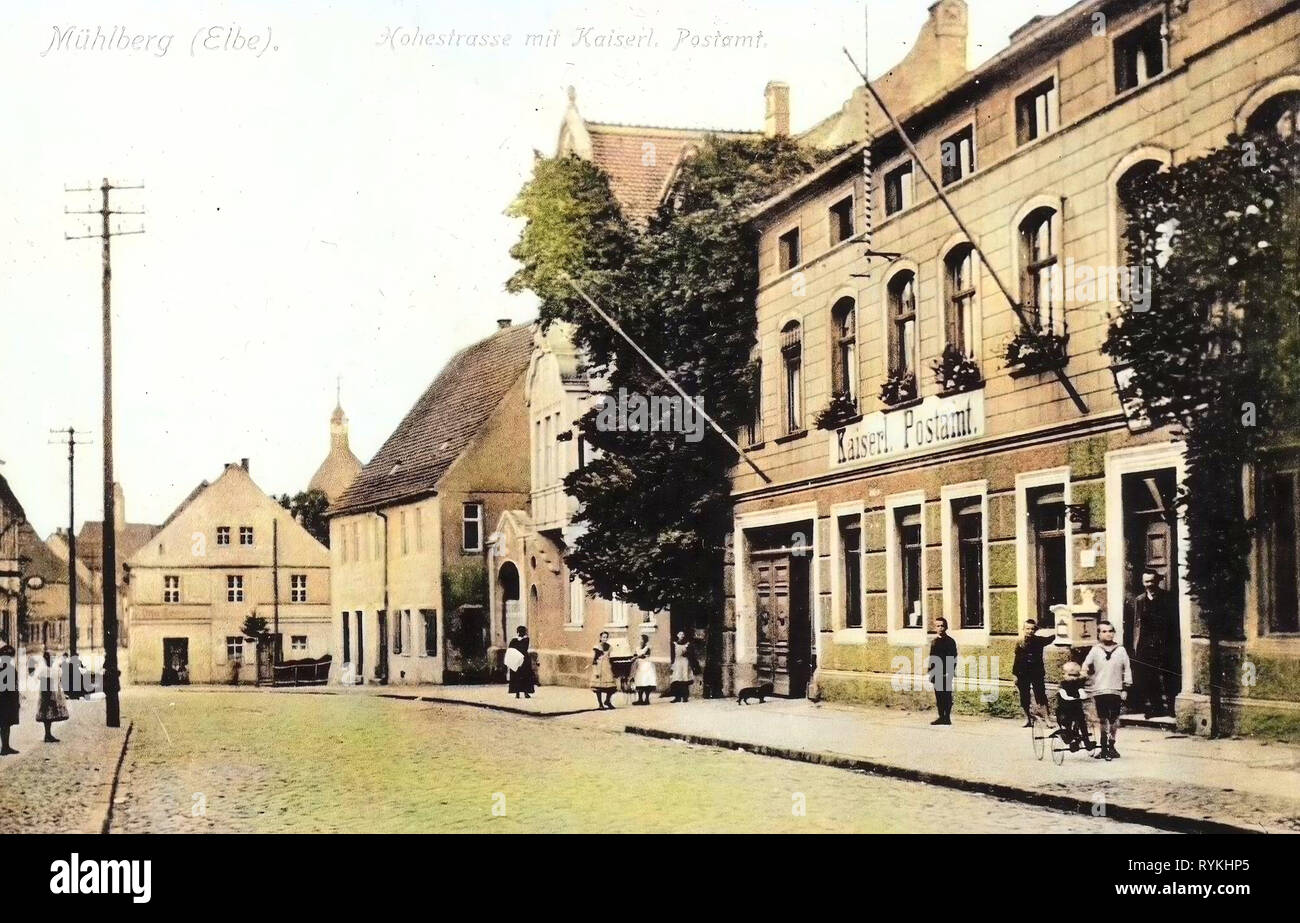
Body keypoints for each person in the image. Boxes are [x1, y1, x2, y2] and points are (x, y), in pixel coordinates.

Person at [1128, 569, 1176, 718]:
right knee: (1149, 676)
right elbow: (1137, 623)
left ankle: (1172, 707)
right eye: (1146, 582)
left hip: (1164, 643)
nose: (1149, 585)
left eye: (1152, 581)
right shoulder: (1140, 600)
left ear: (1157, 581)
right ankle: (1157, 708)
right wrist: (1137, 644)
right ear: (1143, 583)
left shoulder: (1168, 597)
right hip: (1146, 645)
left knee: (1169, 676)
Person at [1083, 620, 1133, 760]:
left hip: (1116, 689)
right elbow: (1085, 665)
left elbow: (1127, 669)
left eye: (1110, 631)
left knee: (1114, 719)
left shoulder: (1121, 650)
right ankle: (1103, 747)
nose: (1108, 634)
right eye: (1104, 631)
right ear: (1099, 634)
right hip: (1100, 690)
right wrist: (1083, 675)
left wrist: (1126, 688)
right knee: (1103, 719)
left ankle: (1112, 746)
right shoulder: (1095, 650)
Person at [1012, 619, 1057, 726]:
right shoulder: (1020, 643)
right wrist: (1014, 674)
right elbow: (1017, 659)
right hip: (1022, 673)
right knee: (1024, 697)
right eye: (1027, 629)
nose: (1030, 631)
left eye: (1032, 629)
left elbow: (1051, 638)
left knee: (1040, 695)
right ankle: (1027, 719)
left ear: (1035, 630)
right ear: (1023, 629)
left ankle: (1047, 719)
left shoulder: (1039, 640)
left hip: (1037, 673)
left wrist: (1061, 629)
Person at [1053, 661, 1094, 752]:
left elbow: (1081, 691)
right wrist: (1070, 698)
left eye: (1076, 675)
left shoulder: (1078, 684)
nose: (1073, 678)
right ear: (1064, 675)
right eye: (1070, 675)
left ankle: (1086, 740)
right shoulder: (1063, 685)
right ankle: (1070, 739)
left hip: (1076, 709)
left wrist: (1083, 695)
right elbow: (1064, 695)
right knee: (1067, 724)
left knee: (1082, 722)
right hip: (1064, 710)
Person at [928, 617, 958, 725]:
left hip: (946, 673)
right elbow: (932, 658)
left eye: (942, 626)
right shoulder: (934, 642)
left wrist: (949, 672)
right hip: (937, 673)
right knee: (939, 696)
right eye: (938, 626)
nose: (940, 628)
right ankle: (941, 717)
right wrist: (931, 672)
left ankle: (947, 717)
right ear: (935, 628)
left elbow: (953, 658)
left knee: (946, 695)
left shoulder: (950, 642)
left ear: (946, 627)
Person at [35, 650, 69, 743]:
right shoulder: (45, 670)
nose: (51, 660)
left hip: (51, 692)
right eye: (49, 659)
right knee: (47, 713)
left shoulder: (52, 669)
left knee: (49, 714)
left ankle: (48, 734)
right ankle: (47, 734)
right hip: (48, 693)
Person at [0, 638, 19, 755]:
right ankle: (5, 747)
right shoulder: (8, 669)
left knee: (5, 724)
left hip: (5, 699)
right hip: (6, 700)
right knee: (5, 724)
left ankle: (5, 746)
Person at [507, 625, 535, 699]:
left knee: (519, 676)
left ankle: (519, 693)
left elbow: (511, 649)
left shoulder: (515, 640)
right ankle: (523, 693)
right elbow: (522, 649)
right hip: (523, 660)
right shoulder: (525, 640)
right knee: (523, 676)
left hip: (518, 660)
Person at [590, 631, 616, 710]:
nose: (605, 639)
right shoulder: (597, 647)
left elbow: (610, 657)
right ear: (600, 638)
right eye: (603, 637)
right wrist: (596, 671)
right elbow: (594, 660)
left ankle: (607, 701)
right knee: (599, 687)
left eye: (606, 637)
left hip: (607, 668)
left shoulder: (609, 647)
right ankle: (600, 704)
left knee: (611, 687)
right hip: (599, 667)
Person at [669, 631, 696, 703]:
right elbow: (672, 654)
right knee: (676, 680)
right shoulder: (674, 644)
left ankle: (685, 697)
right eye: (680, 634)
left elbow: (691, 653)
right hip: (677, 662)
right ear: (677, 635)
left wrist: (687, 653)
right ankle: (677, 697)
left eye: (683, 634)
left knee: (684, 680)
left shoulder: (687, 644)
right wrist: (672, 663)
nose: (682, 636)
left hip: (684, 662)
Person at [632, 633, 656, 705]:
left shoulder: (647, 647)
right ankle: (640, 699)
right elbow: (635, 655)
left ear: (644, 640)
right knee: (639, 681)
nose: (640, 640)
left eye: (641, 639)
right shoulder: (637, 648)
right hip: (639, 665)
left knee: (646, 681)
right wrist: (633, 657)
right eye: (639, 639)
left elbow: (644, 656)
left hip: (646, 665)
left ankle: (647, 699)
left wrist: (636, 657)